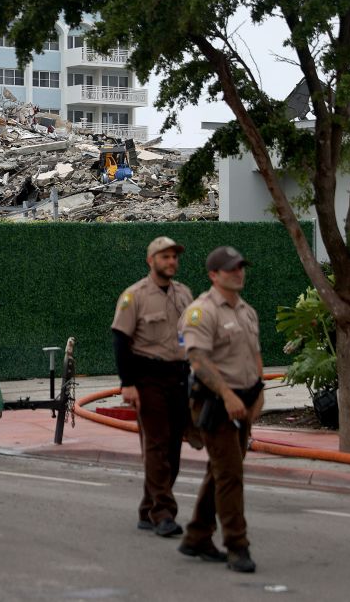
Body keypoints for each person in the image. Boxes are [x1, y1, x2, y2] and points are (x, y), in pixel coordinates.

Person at [177, 246, 265, 573]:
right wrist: (228, 396)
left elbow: (255, 355)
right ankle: (237, 546)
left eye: (241, 266)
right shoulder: (201, 312)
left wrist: (259, 393)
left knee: (221, 472)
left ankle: (197, 536)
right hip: (216, 403)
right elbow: (198, 361)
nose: (238, 272)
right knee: (230, 475)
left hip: (244, 402)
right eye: (230, 268)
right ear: (214, 275)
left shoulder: (247, 311)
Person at [111, 236, 194, 538]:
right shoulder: (134, 296)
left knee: (172, 450)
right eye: (165, 257)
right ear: (151, 261)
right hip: (148, 378)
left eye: (174, 257)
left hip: (179, 378)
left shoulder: (185, 295)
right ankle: (163, 513)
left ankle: (147, 509)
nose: (171, 262)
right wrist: (127, 384)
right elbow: (120, 341)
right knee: (157, 445)